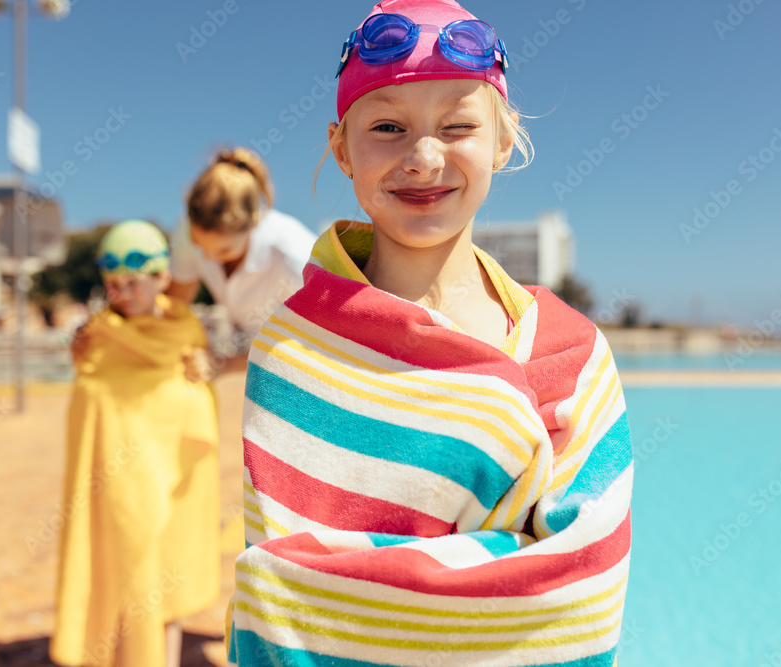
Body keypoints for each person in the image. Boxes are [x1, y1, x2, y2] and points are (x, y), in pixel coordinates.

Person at [228, 2, 634, 666]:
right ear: (341, 149)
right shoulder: (295, 349)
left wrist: (361, 587)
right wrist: (497, 561)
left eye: (458, 126)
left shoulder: (571, 352)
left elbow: (584, 590)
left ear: (502, 140)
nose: (422, 157)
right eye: (387, 126)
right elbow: (282, 588)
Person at [51, 220, 220, 667]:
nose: (122, 293)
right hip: (119, 485)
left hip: (174, 480)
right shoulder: (97, 338)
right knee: (129, 575)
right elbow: (93, 404)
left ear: (163, 277)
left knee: (163, 580)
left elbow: (194, 399)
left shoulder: (186, 335)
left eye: (132, 282)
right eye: (112, 285)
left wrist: (200, 378)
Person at [169, 147, 316, 348]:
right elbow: (175, 306)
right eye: (199, 246)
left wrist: (228, 366)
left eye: (224, 251)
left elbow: (311, 345)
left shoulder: (296, 262)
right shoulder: (186, 229)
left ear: (254, 224)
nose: (208, 258)